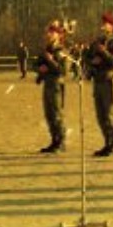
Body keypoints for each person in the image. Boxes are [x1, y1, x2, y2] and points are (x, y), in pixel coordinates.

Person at [86, 12, 113, 157]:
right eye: (102, 22)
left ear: (112, 27)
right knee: (100, 115)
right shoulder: (96, 42)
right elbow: (88, 58)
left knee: (109, 114)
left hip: (109, 82)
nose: (103, 25)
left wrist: (105, 53)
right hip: (98, 81)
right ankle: (107, 142)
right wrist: (92, 62)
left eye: (106, 23)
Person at [36, 24, 69, 153]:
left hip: (56, 84)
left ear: (58, 35)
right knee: (49, 114)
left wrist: (50, 62)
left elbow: (63, 70)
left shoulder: (61, 50)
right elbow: (36, 64)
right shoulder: (47, 50)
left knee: (56, 114)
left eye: (52, 32)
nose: (49, 34)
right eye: (48, 32)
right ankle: (54, 140)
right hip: (47, 84)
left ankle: (61, 142)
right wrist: (40, 69)